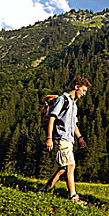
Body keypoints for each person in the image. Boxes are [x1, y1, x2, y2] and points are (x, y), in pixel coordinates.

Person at [40, 76, 92, 205]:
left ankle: (44, 190)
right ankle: (73, 197)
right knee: (70, 166)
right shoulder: (62, 100)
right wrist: (49, 138)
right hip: (60, 138)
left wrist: (80, 138)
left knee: (63, 168)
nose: (84, 94)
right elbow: (52, 118)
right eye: (83, 90)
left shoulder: (73, 104)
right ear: (76, 87)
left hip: (69, 139)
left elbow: (73, 123)